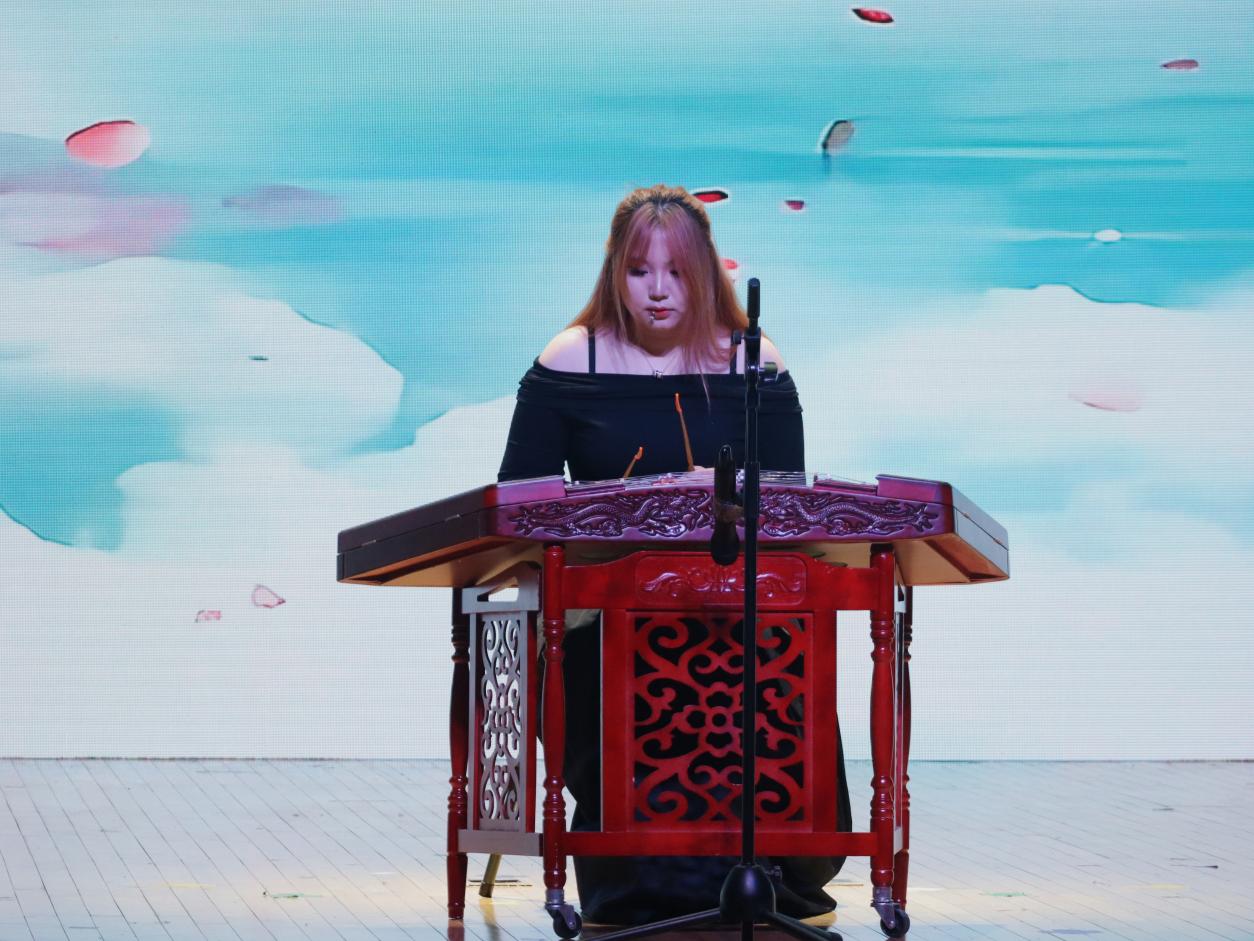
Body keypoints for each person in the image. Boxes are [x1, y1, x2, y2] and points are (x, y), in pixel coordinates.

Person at [497, 184, 851, 924]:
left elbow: (789, 505)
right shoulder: (571, 357)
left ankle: (775, 869)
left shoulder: (755, 362)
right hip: (607, 612)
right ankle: (640, 881)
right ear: (614, 274)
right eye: (639, 271)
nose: (657, 291)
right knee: (615, 660)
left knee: (780, 655)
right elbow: (521, 505)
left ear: (706, 275)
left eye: (677, 273)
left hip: (735, 607)